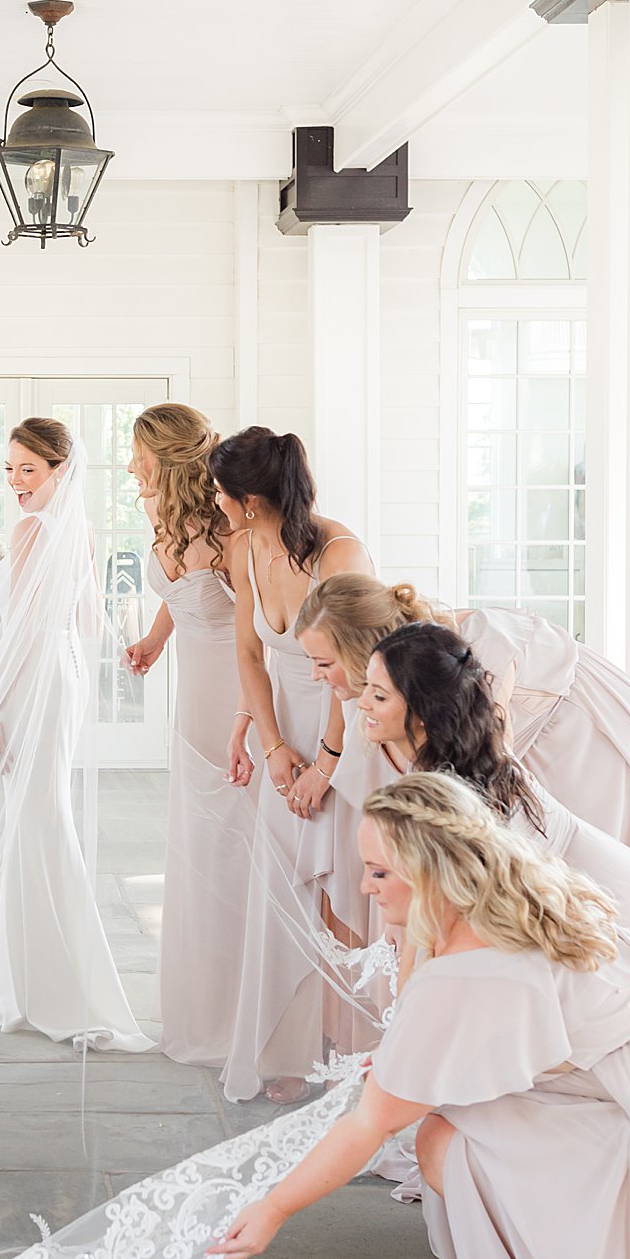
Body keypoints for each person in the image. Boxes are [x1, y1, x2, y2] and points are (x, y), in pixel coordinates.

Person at [212, 772, 630, 1259]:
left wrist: (273, 1209)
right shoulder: (519, 893)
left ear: (435, 873)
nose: (365, 887)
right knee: (450, 1114)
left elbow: (371, 1124)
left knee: (443, 1142)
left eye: (380, 873)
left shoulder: (472, 972)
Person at [297, 576, 630, 982]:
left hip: (618, 874)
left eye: (325, 664)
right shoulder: (438, 737)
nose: (317, 679)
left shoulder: (465, 764)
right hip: (581, 890)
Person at [357, 624, 630, 973]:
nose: (361, 703)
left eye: (379, 696)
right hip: (586, 901)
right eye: (366, 688)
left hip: (619, 907)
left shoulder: (455, 794)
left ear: (422, 712)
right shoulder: (455, 757)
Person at [211, 427, 373, 1100]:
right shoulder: (245, 544)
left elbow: (355, 668)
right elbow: (250, 653)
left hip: (347, 719)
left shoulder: (340, 554)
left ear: (249, 498)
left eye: (221, 495)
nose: (216, 505)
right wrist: (273, 746)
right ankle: (290, 1046)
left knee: (343, 885)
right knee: (280, 883)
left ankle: (352, 1053)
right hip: (282, 718)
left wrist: (326, 764)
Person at [0, 419, 152, 1051]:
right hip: (65, 674)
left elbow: (29, 631)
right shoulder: (77, 528)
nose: (16, 483)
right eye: (9, 469)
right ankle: (36, 974)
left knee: (36, 817)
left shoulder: (32, 530)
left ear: (60, 471)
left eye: (28, 469)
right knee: (40, 813)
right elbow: (82, 618)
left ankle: (58, 983)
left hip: (34, 677)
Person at [123, 403, 251, 1065]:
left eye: (138, 454)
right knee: (199, 847)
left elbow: (255, 627)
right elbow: (180, 597)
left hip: (238, 697)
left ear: (164, 459)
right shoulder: (158, 516)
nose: (129, 465)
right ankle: (202, 1011)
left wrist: (253, 715)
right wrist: (152, 639)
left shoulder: (231, 531)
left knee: (240, 848)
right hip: (192, 701)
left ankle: (249, 1020)